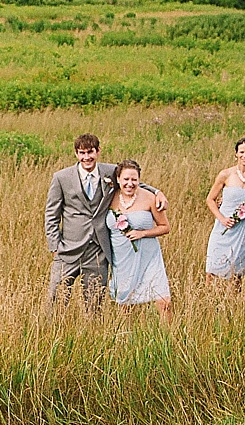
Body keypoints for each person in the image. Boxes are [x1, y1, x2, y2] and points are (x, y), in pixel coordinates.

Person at [44, 134, 167, 310]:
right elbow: (51, 214)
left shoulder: (110, 172)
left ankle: (92, 335)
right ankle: (51, 333)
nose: (87, 157)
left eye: (90, 152)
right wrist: (54, 246)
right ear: (76, 154)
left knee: (94, 304)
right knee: (56, 300)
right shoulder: (61, 178)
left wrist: (157, 192)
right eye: (82, 153)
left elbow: (132, 182)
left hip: (97, 249)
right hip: (68, 249)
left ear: (98, 151)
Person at [106, 160, 172, 318]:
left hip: (149, 257)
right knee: (125, 306)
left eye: (134, 179)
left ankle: (167, 339)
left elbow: (165, 227)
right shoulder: (108, 198)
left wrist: (143, 233)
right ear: (118, 179)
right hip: (122, 259)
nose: (130, 183)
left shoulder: (149, 198)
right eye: (126, 179)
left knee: (164, 302)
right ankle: (125, 340)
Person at [204, 138, 245, 285]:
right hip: (224, 225)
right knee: (213, 266)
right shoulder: (226, 174)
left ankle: (234, 300)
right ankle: (208, 297)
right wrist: (222, 219)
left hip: (244, 227)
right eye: (241, 152)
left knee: (237, 268)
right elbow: (210, 199)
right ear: (236, 154)